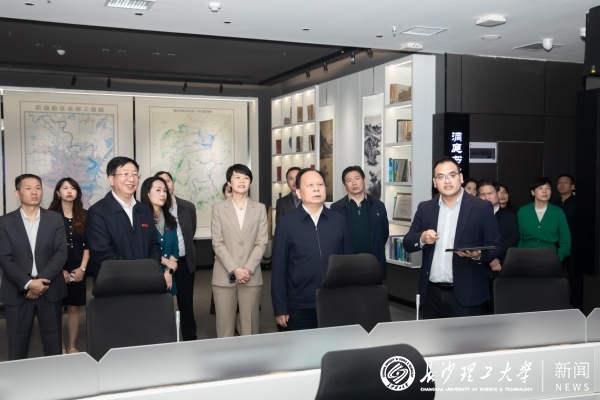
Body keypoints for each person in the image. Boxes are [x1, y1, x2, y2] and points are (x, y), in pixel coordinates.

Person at [402, 157, 501, 319]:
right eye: (441, 177)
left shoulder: (481, 207)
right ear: (435, 182)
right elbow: (407, 243)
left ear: (461, 178)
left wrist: (477, 255)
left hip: (466, 295)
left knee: (464, 336)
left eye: (452, 175)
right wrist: (422, 237)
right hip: (431, 294)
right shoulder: (425, 208)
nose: (447, 181)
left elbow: (495, 246)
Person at [271, 168, 352, 330]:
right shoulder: (286, 223)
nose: (317, 189)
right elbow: (279, 268)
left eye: (320, 184)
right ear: (298, 193)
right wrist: (280, 307)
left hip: (334, 301)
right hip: (299, 304)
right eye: (310, 185)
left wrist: (349, 299)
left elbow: (348, 264)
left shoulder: (339, 221)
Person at [0, 174, 67, 360]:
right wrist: (28, 283)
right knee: (17, 348)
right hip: (17, 292)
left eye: (38, 188)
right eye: (28, 188)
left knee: (53, 347)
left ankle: (53, 378)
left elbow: (61, 254)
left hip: (50, 290)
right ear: (17, 193)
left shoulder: (55, 219)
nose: (34, 192)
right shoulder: (4, 222)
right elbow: (4, 257)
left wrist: (40, 282)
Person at [211, 164, 268, 337]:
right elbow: (217, 243)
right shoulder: (218, 208)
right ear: (229, 182)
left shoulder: (259, 208)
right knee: (225, 328)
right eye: (237, 177)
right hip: (224, 275)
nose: (242, 181)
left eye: (246, 177)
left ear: (250, 182)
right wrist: (235, 269)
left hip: (251, 276)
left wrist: (247, 269)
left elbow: (261, 242)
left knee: (250, 327)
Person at [86, 156, 161, 280]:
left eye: (135, 174)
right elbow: (103, 254)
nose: (131, 179)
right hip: (114, 284)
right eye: (125, 174)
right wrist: (137, 273)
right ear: (111, 179)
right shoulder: (98, 212)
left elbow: (155, 245)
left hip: (147, 281)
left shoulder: (144, 210)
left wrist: (149, 270)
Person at [48, 178, 90, 354]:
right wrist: (59, 270)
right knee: (57, 308)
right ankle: (60, 347)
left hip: (78, 265)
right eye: (65, 188)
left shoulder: (85, 215)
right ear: (58, 193)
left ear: (77, 192)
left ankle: (72, 345)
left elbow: (89, 245)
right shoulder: (50, 215)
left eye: (73, 188)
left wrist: (82, 268)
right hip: (56, 267)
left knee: (74, 307)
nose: (69, 191)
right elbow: (46, 246)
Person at [155, 171, 198, 341]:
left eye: (168, 180)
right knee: (162, 304)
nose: (165, 185)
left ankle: (190, 339)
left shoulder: (188, 207)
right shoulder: (154, 208)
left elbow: (190, 232)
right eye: (161, 183)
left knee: (186, 304)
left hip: (184, 263)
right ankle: (164, 340)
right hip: (161, 264)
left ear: (172, 183)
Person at [331, 165, 389, 277]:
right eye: (349, 180)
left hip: (373, 261)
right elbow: (334, 238)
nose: (354, 183)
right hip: (346, 263)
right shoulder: (336, 208)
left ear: (364, 180)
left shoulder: (378, 206)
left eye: (357, 179)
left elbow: (384, 233)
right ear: (344, 185)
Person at [477, 179, 520, 313]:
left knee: (501, 307)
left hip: (503, 266)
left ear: (498, 194)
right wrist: (490, 259)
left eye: (490, 193)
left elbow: (513, 239)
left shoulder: (511, 216)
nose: (486, 197)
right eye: (482, 194)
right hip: (479, 268)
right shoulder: (473, 217)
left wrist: (494, 256)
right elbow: (474, 240)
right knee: (480, 310)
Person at [140, 176, 179, 295]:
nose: (163, 194)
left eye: (165, 190)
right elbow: (143, 250)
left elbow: (175, 250)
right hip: (147, 278)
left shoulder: (170, 219)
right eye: (158, 190)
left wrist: (169, 272)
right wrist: (167, 263)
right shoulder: (140, 219)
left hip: (168, 280)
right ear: (147, 193)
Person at [518, 177, 571, 261]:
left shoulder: (557, 212)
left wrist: (559, 257)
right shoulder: (523, 211)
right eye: (540, 188)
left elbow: (565, 240)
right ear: (533, 192)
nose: (545, 191)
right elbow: (518, 237)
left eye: (548, 188)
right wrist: (518, 257)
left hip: (549, 257)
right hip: (525, 256)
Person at [552, 173, 581, 310]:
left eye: (565, 182)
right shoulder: (553, 205)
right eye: (559, 183)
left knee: (575, 280)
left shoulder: (578, 203)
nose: (562, 185)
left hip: (574, 248)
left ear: (572, 186)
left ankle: (578, 308)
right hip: (556, 248)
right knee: (554, 279)